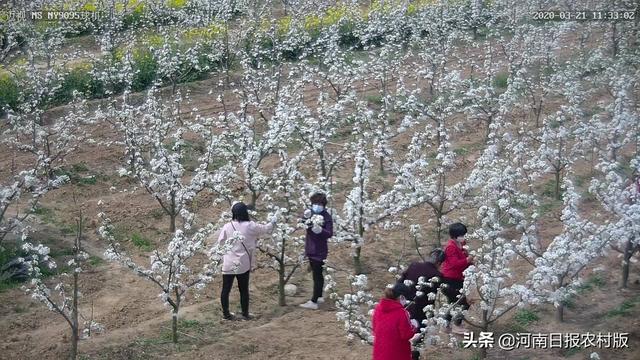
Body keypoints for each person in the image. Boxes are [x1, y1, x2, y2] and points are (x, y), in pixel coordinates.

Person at [217, 202, 275, 320]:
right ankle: (245, 314)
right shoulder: (250, 226)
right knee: (243, 290)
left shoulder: (227, 226)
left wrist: (227, 252)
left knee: (226, 289)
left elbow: (220, 242)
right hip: (243, 263)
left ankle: (226, 314)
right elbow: (266, 229)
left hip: (229, 263)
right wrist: (273, 221)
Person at [299, 191, 333, 310]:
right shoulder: (312, 213)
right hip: (311, 248)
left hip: (319, 251)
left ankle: (314, 301)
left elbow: (329, 233)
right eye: (314, 203)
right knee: (317, 274)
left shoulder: (326, 217)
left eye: (319, 204)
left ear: (323, 205)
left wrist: (320, 230)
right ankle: (318, 296)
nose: (316, 206)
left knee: (317, 275)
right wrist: (305, 218)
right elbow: (304, 224)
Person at [372, 283, 419, 360]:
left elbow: (375, 329)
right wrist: (414, 326)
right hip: (397, 353)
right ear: (401, 297)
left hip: (379, 352)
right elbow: (406, 334)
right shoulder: (401, 312)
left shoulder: (378, 308)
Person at [440, 222, 473, 334]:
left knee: (452, 303)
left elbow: (464, 260)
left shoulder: (462, 244)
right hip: (450, 279)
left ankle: (446, 325)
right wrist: (468, 260)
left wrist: (470, 261)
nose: (463, 237)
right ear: (454, 236)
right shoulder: (450, 247)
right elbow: (454, 263)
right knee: (462, 303)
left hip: (459, 278)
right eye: (461, 235)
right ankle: (456, 325)